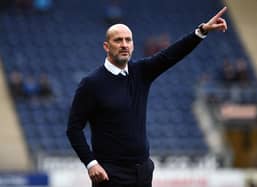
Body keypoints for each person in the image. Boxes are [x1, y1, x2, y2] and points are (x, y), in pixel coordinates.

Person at [66, 6, 228, 187]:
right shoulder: (91, 83)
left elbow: (170, 55)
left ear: (133, 45)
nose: (124, 44)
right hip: (110, 174)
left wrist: (201, 31)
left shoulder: (141, 72)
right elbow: (73, 129)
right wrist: (91, 163)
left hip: (142, 172)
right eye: (118, 40)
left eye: (128, 40)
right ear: (106, 46)